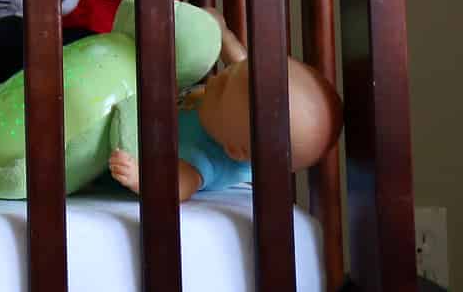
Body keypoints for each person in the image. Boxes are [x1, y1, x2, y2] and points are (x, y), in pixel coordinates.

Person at [108, 10, 343, 200]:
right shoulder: (236, 110)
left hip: (122, 148)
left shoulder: (204, 159)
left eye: (220, 91)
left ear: (233, 149)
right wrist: (222, 33)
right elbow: (241, 62)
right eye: (229, 73)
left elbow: (178, 186)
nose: (217, 78)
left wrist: (138, 176)